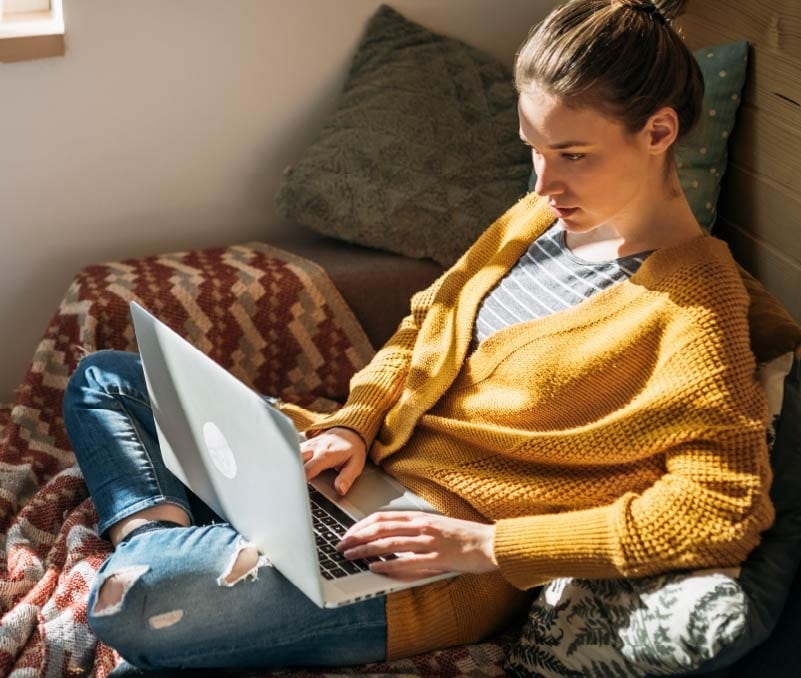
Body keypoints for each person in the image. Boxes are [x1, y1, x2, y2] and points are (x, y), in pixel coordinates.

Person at [62, 0, 774, 672]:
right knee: (106, 377)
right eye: (532, 149)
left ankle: (163, 557)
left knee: (138, 600)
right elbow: (422, 324)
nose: (545, 181)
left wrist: (486, 545)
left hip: (426, 565)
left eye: (572, 154)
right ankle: (168, 545)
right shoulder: (534, 218)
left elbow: (718, 511)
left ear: (657, 131)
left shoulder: (694, 303)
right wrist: (354, 424)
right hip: (357, 474)